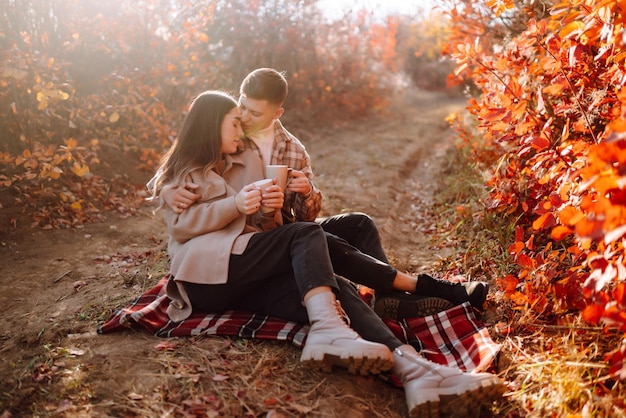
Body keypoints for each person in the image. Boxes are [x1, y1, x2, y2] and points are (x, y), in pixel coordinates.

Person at [148, 90, 505, 417]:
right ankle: (338, 323)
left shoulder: (244, 158)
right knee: (306, 233)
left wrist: (271, 208)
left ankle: (416, 371)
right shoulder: (185, 172)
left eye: (243, 123)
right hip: (204, 280)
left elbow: (262, 226)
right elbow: (182, 226)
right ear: (212, 126)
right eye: (234, 123)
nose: (241, 130)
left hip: (243, 269)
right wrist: (234, 204)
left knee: (335, 285)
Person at [163, 68, 489, 319]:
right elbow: (189, 159)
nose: (245, 118)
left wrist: (306, 193)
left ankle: (389, 294)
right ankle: (417, 286)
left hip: (286, 230)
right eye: (243, 109)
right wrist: (167, 191)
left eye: (254, 113)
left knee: (357, 224)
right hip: (252, 242)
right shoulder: (230, 132)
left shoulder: (292, 150)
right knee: (307, 238)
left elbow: (306, 217)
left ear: (277, 113)